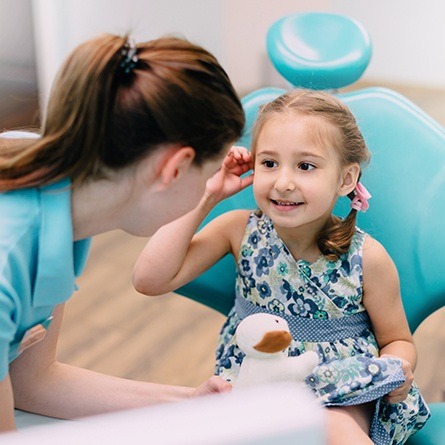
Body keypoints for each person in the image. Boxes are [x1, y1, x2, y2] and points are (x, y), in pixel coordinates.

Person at [133, 89, 431, 445]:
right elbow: (149, 279)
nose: (283, 182)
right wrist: (207, 197)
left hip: (342, 387)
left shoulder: (367, 257)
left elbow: (397, 339)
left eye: (305, 166)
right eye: (269, 163)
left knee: (331, 429)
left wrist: (397, 367)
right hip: (255, 381)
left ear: (346, 179)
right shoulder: (236, 230)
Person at [0, 32, 247, 432]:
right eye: (211, 172)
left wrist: (189, 402)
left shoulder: (54, 181)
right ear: (175, 168)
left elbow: (33, 382)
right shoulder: (8, 257)